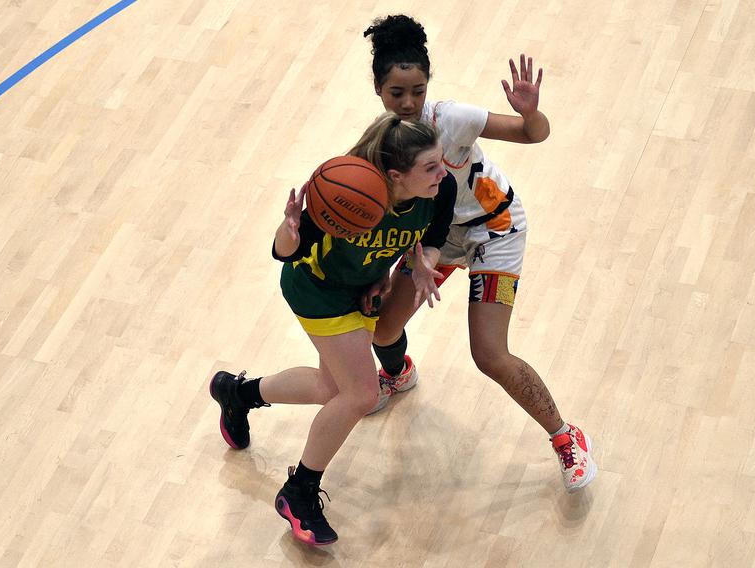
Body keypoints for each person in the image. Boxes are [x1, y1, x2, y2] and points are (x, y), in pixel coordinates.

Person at [363, 15, 597, 492]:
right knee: (382, 326)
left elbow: (535, 134)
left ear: (429, 86)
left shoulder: (453, 118)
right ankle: (398, 373)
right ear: (378, 89)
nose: (408, 103)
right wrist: (395, 265)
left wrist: (531, 113)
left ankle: (565, 436)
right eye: (397, 93)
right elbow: (396, 213)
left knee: (489, 354)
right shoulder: (379, 146)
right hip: (437, 237)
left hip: (495, 230)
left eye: (418, 90)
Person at [209, 112, 456, 545]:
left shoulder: (442, 189)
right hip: (316, 289)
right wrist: (289, 229)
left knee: (331, 388)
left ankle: (238, 394)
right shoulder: (349, 192)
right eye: (431, 166)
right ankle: (298, 492)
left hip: (360, 289)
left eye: (441, 161)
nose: (444, 170)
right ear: (396, 175)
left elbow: (431, 237)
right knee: (360, 393)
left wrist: (421, 266)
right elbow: (281, 251)